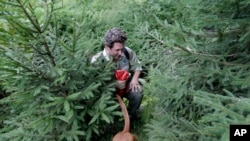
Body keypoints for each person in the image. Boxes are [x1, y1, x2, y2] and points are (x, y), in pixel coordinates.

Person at [91, 27, 143, 121]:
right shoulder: (96, 61)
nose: (120, 53)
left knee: (137, 94)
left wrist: (135, 79)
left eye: (121, 49)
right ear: (107, 47)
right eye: (117, 50)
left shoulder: (126, 52)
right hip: (107, 92)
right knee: (112, 113)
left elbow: (137, 65)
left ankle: (131, 118)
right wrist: (114, 84)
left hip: (126, 85)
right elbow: (93, 85)